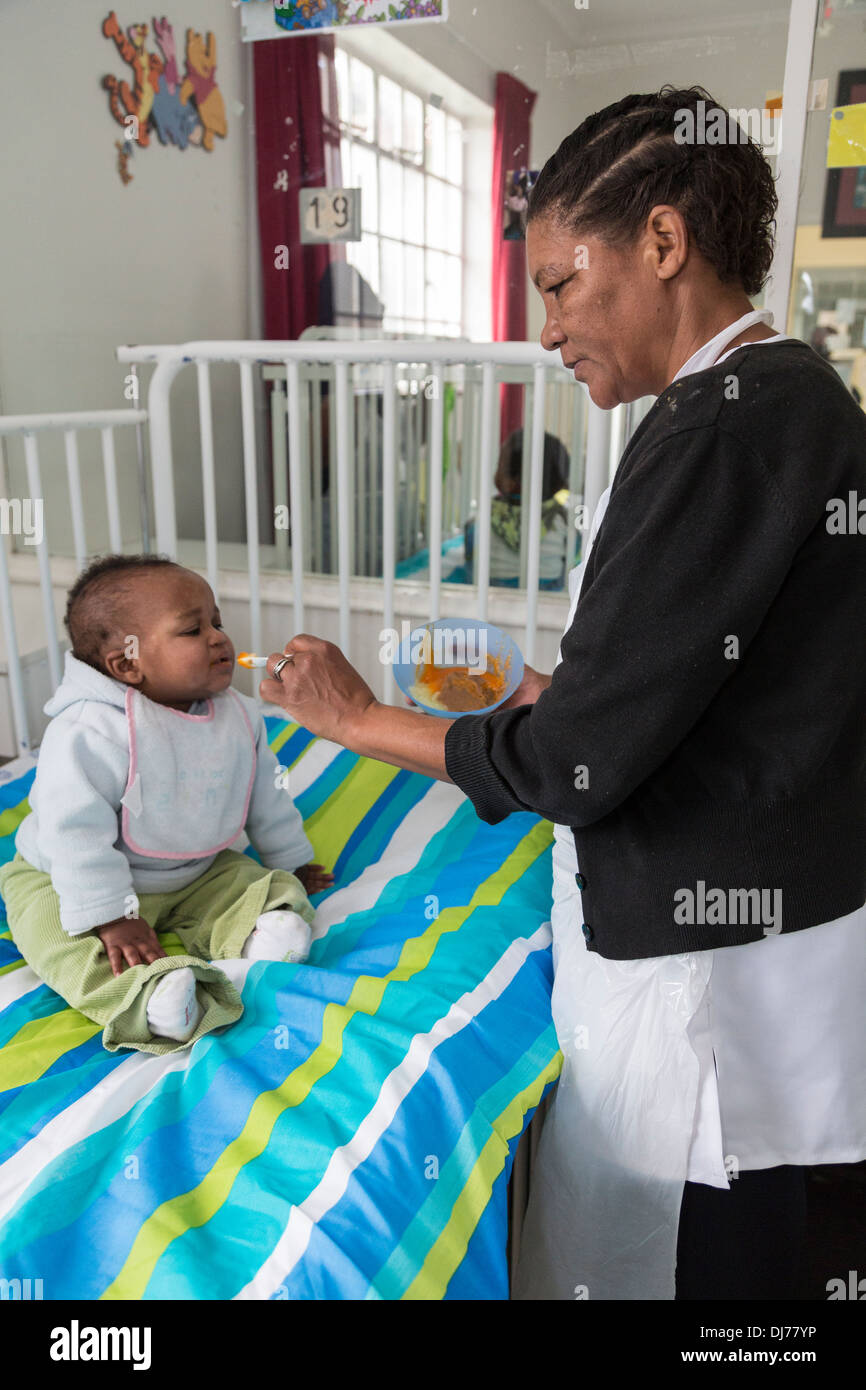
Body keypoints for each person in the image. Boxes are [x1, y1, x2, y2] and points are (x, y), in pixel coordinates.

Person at [253, 85, 866, 1300]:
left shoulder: (723, 425)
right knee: (749, 1221)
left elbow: (570, 764)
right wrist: (566, 682)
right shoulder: (769, 399)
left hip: (707, 953)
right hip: (761, 911)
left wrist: (355, 717)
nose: (545, 329)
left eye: (554, 284)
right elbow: (719, 668)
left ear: (659, 242)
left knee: (710, 1253)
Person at [0, 555, 333, 1055]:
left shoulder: (239, 717)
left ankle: (260, 935)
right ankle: (146, 998)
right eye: (192, 630)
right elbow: (74, 833)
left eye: (216, 622)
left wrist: (291, 858)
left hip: (192, 869)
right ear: (127, 664)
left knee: (258, 885)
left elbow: (266, 792)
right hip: (69, 876)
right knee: (53, 935)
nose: (219, 637)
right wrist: (111, 916)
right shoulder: (88, 732)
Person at [464, 428, 572, 590]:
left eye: (499, 466)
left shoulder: (486, 513)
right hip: (547, 588)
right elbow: (571, 551)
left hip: (493, 586)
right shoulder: (561, 517)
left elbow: (471, 547)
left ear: (511, 480)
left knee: (472, 533)